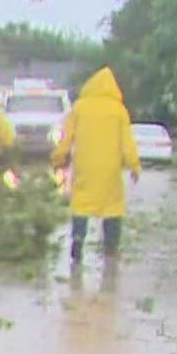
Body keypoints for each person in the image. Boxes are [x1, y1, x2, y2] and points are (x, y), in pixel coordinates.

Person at [50, 67, 140, 262]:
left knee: (81, 203)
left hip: (85, 167)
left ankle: (78, 240)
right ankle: (111, 248)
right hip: (110, 170)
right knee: (113, 207)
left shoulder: (80, 108)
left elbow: (66, 137)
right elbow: (127, 142)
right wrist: (134, 166)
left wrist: (59, 158)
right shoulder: (119, 110)